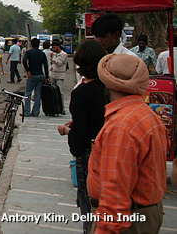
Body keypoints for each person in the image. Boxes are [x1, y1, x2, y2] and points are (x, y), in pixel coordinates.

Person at [87, 54, 167, 234]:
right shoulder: (146, 114)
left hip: (129, 219)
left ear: (107, 84)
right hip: (145, 213)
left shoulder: (122, 125)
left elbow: (115, 195)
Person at [56, 39, 107, 234]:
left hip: (89, 153)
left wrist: (68, 130)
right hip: (109, 150)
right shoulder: (109, 89)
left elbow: (79, 137)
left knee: (89, 204)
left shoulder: (81, 93)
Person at [21, 37, 49, 117]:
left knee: (28, 94)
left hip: (32, 75)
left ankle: (27, 112)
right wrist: (46, 77)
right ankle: (35, 112)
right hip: (40, 74)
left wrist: (28, 70)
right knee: (38, 94)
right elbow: (46, 66)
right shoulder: (42, 53)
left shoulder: (29, 52)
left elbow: (24, 61)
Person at [49, 39, 69, 114]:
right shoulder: (53, 54)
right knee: (52, 92)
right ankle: (53, 108)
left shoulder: (64, 54)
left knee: (59, 92)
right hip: (53, 74)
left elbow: (60, 63)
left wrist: (53, 58)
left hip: (60, 75)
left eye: (54, 47)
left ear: (58, 46)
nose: (53, 49)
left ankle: (62, 108)